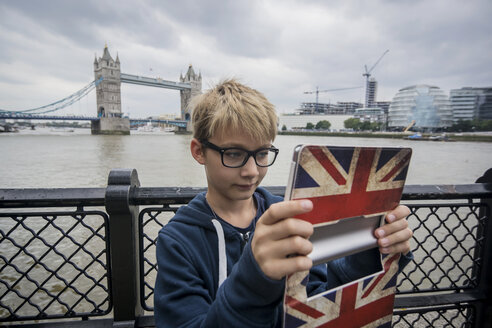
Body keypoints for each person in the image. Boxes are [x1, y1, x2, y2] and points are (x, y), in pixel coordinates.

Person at [154, 79, 413, 327]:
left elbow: (318, 299)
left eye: (262, 153)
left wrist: (371, 250)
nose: (252, 171)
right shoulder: (177, 240)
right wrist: (255, 279)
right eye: (233, 154)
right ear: (199, 151)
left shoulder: (289, 216)